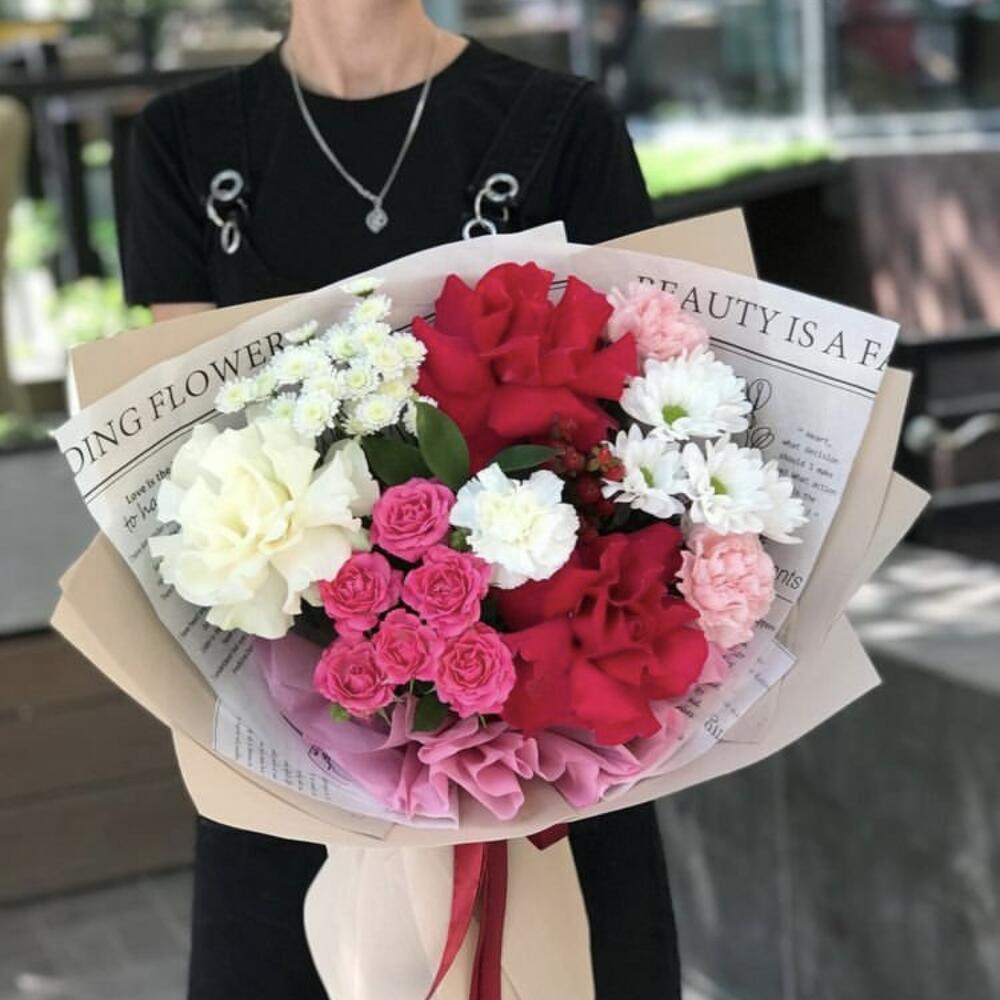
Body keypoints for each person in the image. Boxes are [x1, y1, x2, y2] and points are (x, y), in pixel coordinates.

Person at [121, 3, 681, 998]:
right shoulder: (183, 141)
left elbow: (638, 422)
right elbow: (189, 460)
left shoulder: (562, 123)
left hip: (544, 740)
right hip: (297, 735)